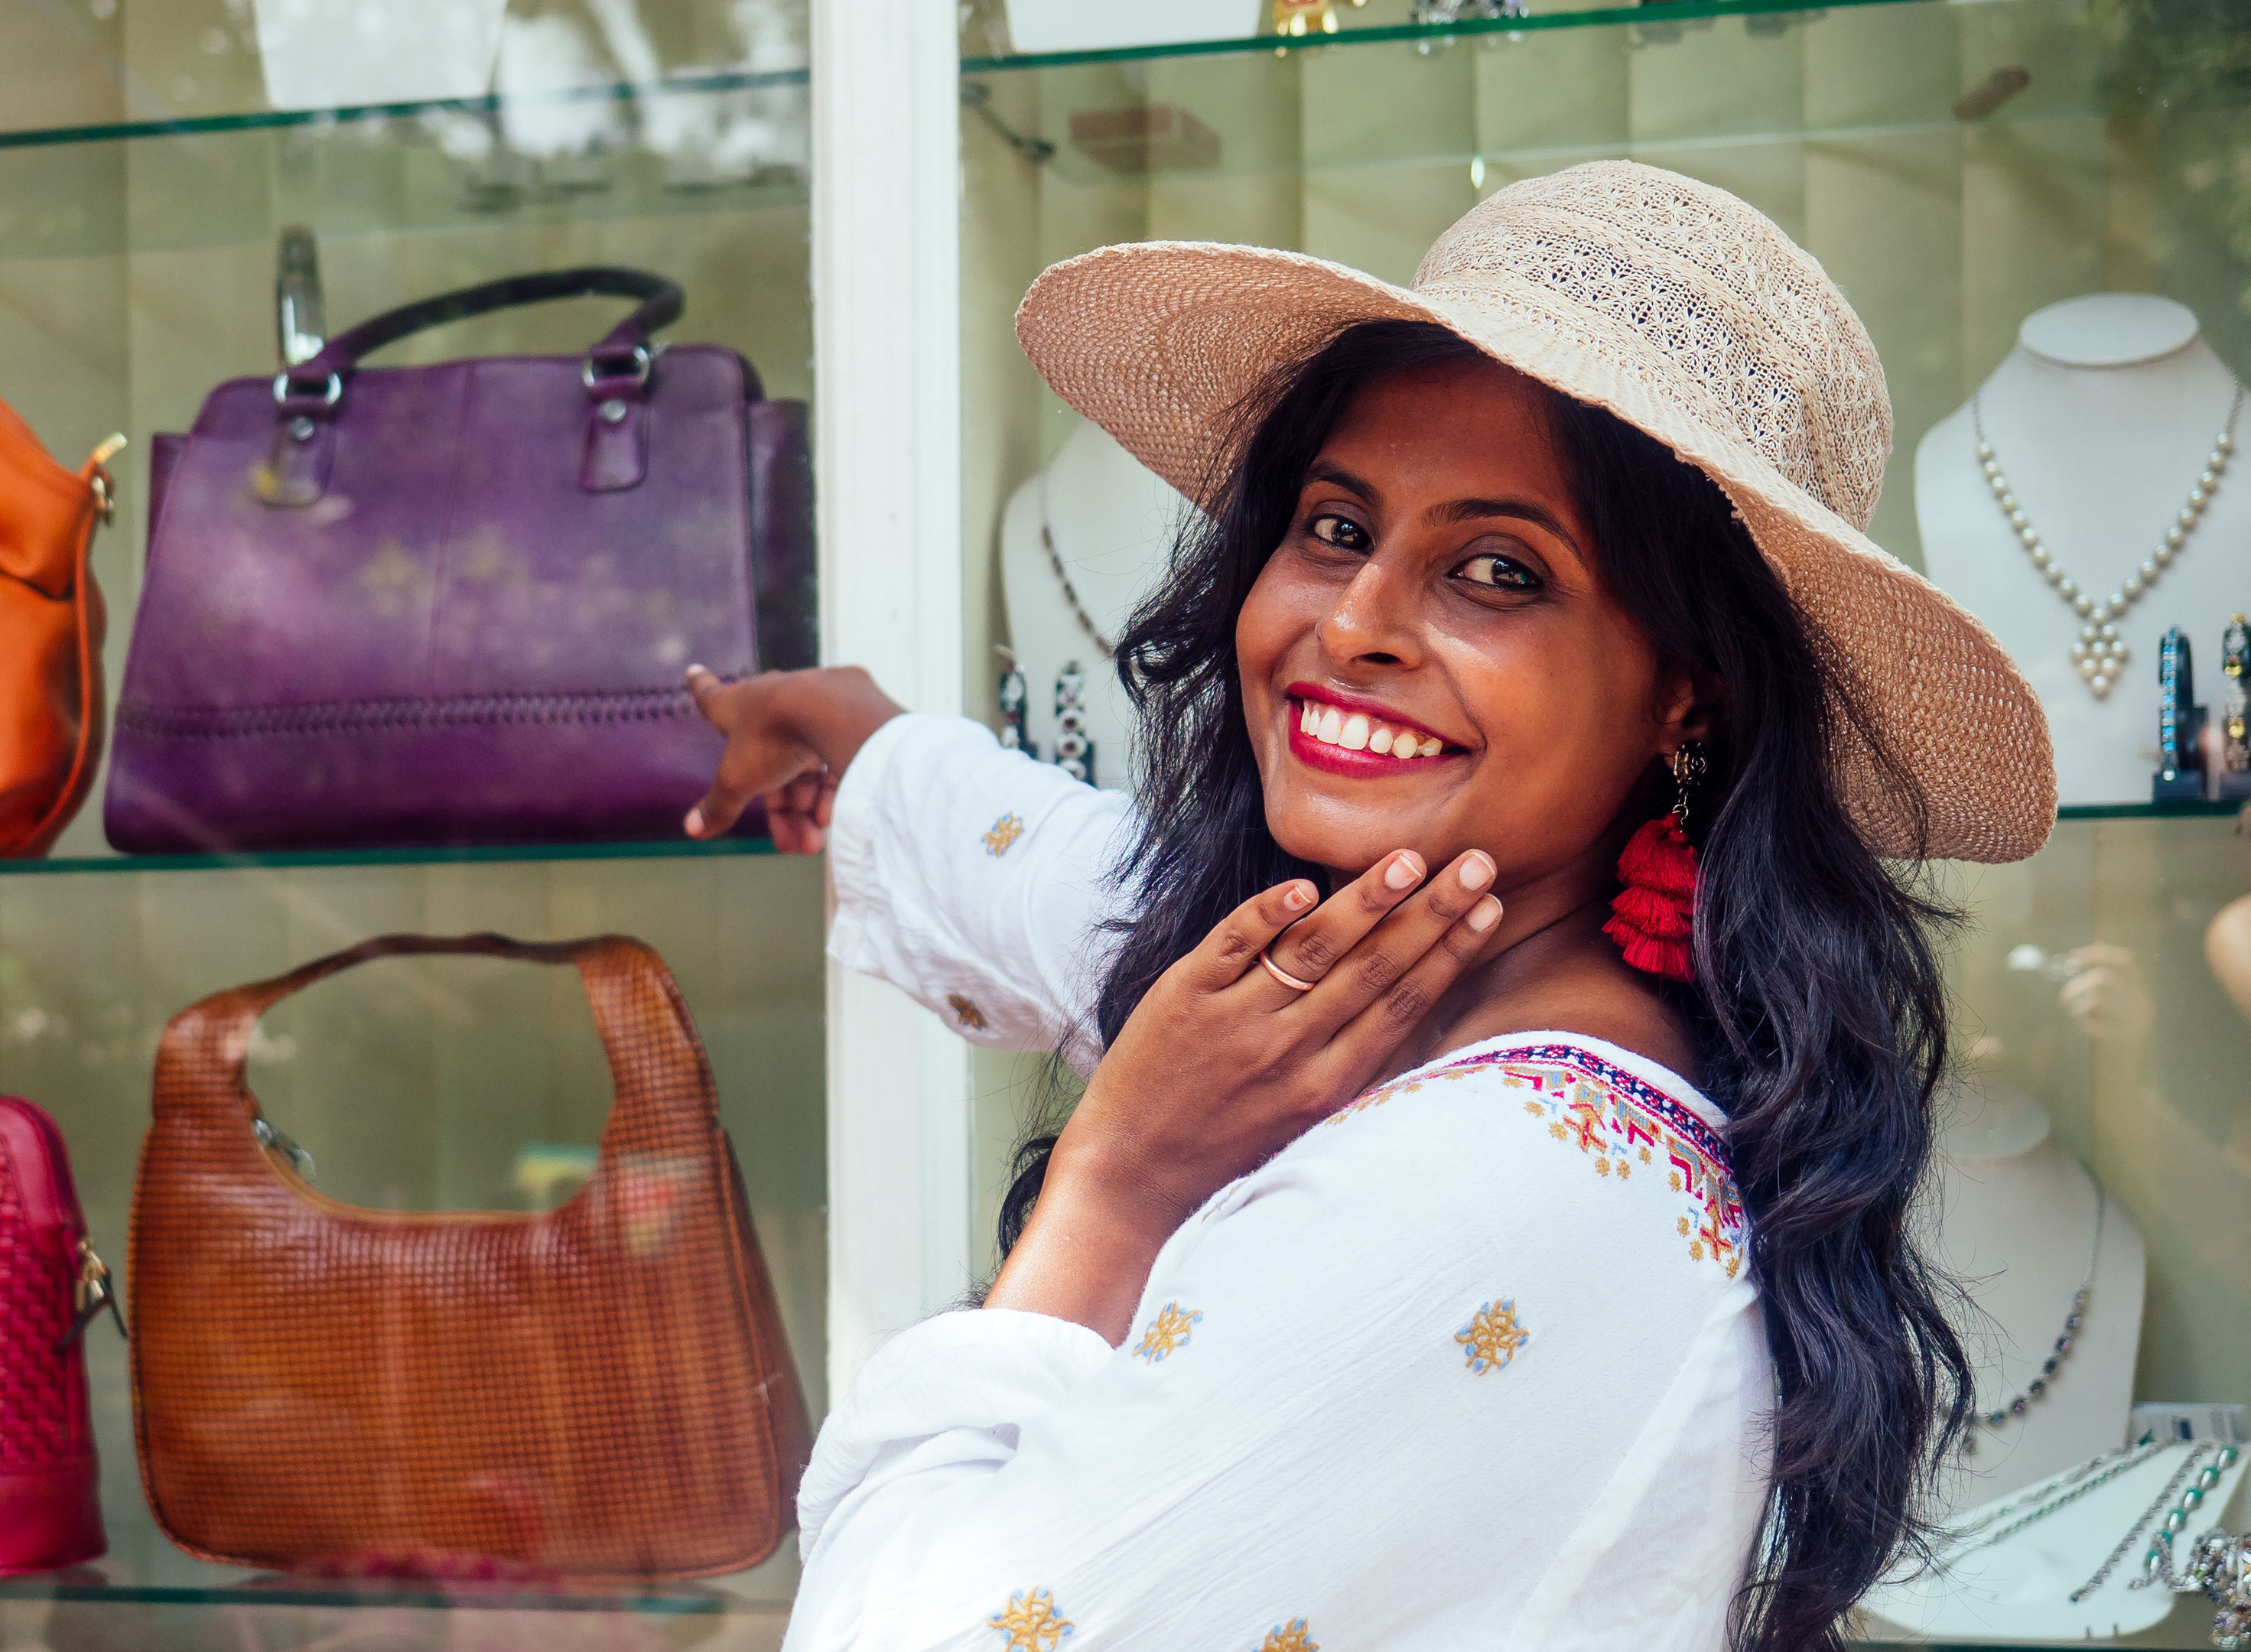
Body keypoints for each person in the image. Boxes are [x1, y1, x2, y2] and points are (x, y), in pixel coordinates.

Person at [682, 161, 2056, 1652]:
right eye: (1337, 529)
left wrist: (1113, 1189)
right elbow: (1105, 903)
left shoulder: (1475, 1201)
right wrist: (873, 748)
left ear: (1688, 692)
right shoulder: (1487, 1000)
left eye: (1494, 571)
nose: (1351, 622)